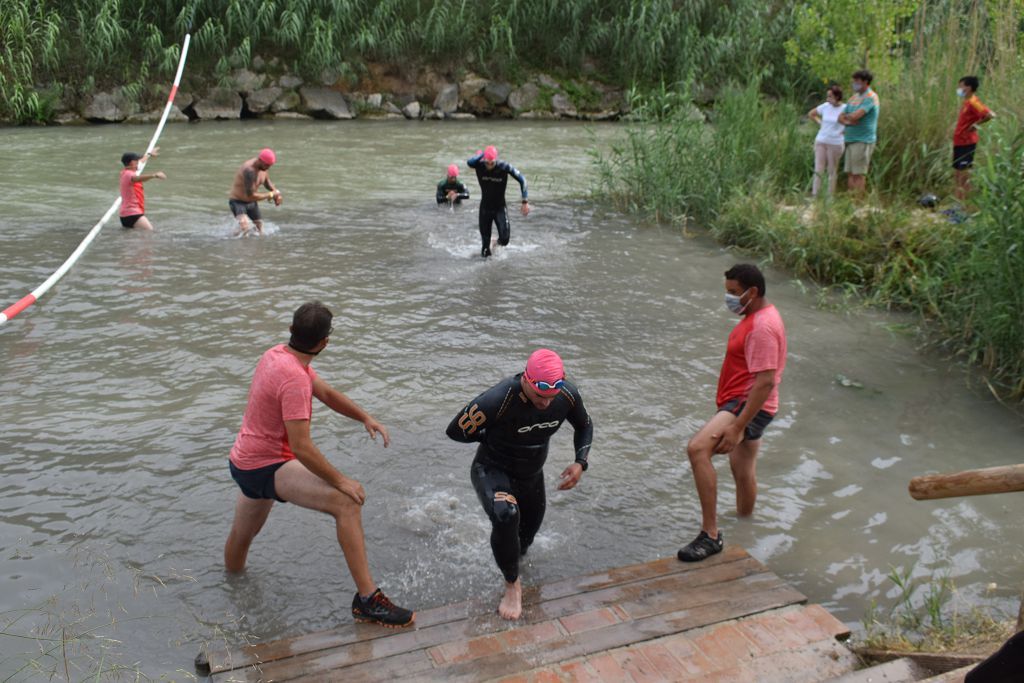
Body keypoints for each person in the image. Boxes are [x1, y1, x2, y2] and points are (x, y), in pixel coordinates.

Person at [223, 301, 414, 627]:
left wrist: (364, 417)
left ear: (290, 331)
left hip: (242, 460)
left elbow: (325, 392)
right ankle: (368, 599)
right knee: (347, 502)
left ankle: (230, 593)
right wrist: (341, 481)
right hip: (266, 465)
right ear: (325, 342)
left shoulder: (277, 354)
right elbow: (302, 447)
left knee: (243, 536)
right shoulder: (295, 379)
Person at [446, 349, 593, 619]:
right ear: (526, 379)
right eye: (539, 396)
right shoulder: (498, 399)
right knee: (506, 515)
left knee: (525, 541)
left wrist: (579, 462)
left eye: (551, 398)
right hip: (492, 469)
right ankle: (512, 586)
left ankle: (511, 564)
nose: (546, 404)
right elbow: (455, 430)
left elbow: (584, 424)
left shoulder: (567, 395)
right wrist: (490, 436)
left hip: (531, 476)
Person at [678, 264, 786, 563]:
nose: (730, 299)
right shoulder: (762, 316)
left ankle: (710, 536)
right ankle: (746, 527)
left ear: (753, 292)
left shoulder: (762, 327)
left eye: (734, 293)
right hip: (753, 403)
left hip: (746, 402)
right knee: (743, 470)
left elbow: (765, 381)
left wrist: (738, 426)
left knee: (698, 449)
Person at [467, 145, 529, 258]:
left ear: (496, 160)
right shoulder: (479, 165)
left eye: (492, 163)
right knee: (485, 251)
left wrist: (525, 201)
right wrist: (482, 154)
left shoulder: (503, 167)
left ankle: (494, 242)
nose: (489, 165)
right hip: (485, 209)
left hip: (499, 207)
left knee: (505, 240)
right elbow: (469, 162)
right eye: (487, 162)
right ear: (484, 160)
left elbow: (522, 180)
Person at [952, 75, 994, 202]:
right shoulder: (967, 102)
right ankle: (958, 204)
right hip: (959, 142)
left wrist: (975, 125)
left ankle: (963, 208)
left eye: (961, 86)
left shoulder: (973, 102)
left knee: (964, 176)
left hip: (967, 142)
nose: (959, 89)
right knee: (958, 174)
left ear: (969, 88)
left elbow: (990, 114)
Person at [838, 69, 880, 197]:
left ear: (865, 82)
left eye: (857, 81)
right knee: (850, 173)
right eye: (854, 81)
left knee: (859, 173)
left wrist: (849, 118)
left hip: (863, 140)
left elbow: (857, 115)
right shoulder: (853, 98)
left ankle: (858, 201)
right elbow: (840, 117)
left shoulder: (871, 97)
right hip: (850, 139)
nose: (854, 83)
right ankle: (850, 200)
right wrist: (848, 121)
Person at [229, 148, 282, 237]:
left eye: (270, 165)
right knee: (244, 227)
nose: (268, 167)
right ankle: (232, 243)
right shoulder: (249, 171)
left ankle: (256, 248)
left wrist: (276, 193)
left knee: (259, 228)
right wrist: (270, 194)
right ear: (260, 160)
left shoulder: (263, 167)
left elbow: (266, 181)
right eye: (267, 165)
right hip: (238, 202)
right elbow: (251, 195)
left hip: (251, 203)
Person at [807, 85, 845, 197]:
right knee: (818, 169)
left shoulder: (845, 108)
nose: (828, 99)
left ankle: (829, 197)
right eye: (827, 96)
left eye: (830, 96)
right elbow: (811, 114)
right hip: (821, 140)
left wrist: (844, 131)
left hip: (835, 142)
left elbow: (850, 122)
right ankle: (815, 195)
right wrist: (820, 123)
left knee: (831, 170)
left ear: (837, 97)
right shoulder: (825, 106)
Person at [119, 147, 166, 230]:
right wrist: (154, 175)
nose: (138, 162)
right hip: (132, 214)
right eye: (136, 160)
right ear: (132, 162)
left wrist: (149, 154)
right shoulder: (129, 174)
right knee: (150, 233)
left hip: (126, 215)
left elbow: (141, 162)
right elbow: (137, 178)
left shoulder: (125, 172)